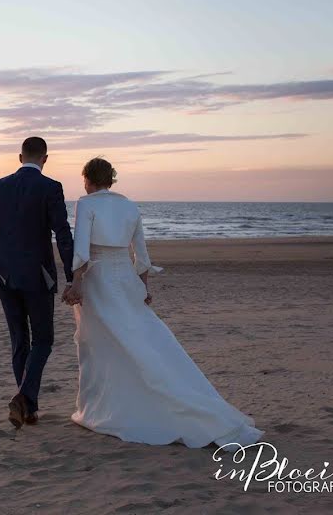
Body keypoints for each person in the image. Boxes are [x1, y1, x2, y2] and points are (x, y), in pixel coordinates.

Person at [62, 157, 263, 450]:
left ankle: (102, 408)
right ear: (112, 179)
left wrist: (77, 282)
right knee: (139, 339)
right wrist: (143, 287)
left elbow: (81, 249)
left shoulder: (86, 203)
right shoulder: (130, 206)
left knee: (100, 344)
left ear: (88, 180)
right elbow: (140, 254)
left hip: (100, 280)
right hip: (126, 280)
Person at [0, 137, 75, 428]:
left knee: (19, 339)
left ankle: (28, 408)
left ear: (20, 157)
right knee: (43, 339)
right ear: (45, 159)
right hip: (38, 275)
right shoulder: (51, 187)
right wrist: (71, 275)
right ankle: (25, 398)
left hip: (5, 273)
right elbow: (63, 234)